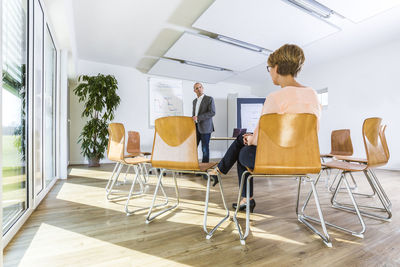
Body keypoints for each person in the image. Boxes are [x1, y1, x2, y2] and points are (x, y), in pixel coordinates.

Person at [209, 44, 321, 212]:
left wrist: (250, 139)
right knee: (243, 142)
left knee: (242, 148)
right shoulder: (313, 94)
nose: (269, 72)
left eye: (269, 68)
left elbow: (261, 138)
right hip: (305, 159)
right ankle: (225, 176)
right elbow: (313, 131)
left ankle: (231, 182)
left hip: (276, 159)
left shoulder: (275, 97)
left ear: (276, 68)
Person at [192, 82, 216, 164]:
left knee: (204, 149)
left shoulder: (209, 99)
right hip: (195, 128)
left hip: (206, 128)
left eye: (200, 87)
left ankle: (204, 169)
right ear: (194, 91)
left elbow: (212, 112)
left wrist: (198, 118)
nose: (199, 89)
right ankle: (192, 165)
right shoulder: (194, 101)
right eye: (196, 88)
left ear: (203, 88)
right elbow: (194, 114)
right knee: (192, 147)